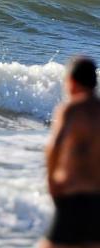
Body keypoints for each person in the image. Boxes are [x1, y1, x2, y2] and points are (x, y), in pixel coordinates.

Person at [39, 56, 100, 248]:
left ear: (71, 82)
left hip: (72, 193)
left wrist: (51, 180)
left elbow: (54, 146)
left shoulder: (71, 109)